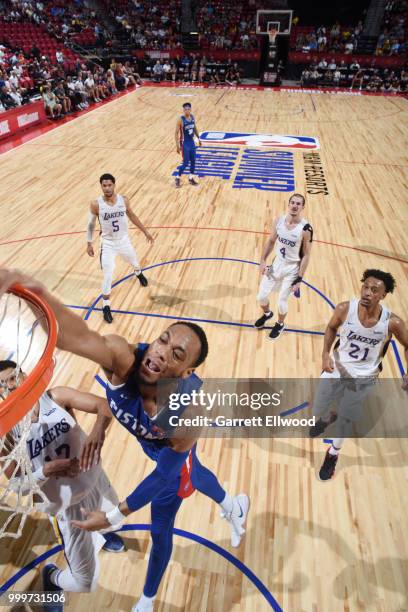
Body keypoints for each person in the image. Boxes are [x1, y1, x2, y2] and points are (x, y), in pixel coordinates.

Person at [0, 269, 250, 612]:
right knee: (86, 579)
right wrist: (35, 288)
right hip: (64, 501)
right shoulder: (122, 357)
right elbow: (75, 337)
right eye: (163, 340)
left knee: (166, 513)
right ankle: (51, 580)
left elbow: (163, 473)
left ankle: (147, 595)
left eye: (177, 354)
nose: (162, 352)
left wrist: (114, 515)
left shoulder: (188, 416)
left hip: (159, 453)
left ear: (187, 372)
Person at [0, 360, 125, 612]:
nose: (8, 387)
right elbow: (17, 485)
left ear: (24, 375)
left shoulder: (56, 396)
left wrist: (98, 431)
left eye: (11, 378)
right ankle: (52, 578)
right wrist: (45, 471)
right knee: (84, 581)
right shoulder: (6, 432)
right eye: (0, 385)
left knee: (116, 521)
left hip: (96, 479)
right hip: (67, 507)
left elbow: (104, 406)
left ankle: (100, 533)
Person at [309, 269, 408, 481]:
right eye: (365, 287)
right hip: (337, 366)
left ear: (383, 295)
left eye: (375, 290)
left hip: (364, 376)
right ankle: (327, 417)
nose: (367, 293)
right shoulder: (345, 308)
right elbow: (331, 327)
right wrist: (325, 355)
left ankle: (333, 454)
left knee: (346, 419)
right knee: (319, 406)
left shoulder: (393, 323)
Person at [87, 173, 154, 324]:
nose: (107, 188)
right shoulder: (96, 204)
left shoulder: (123, 200)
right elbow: (91, 224)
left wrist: (145, 232)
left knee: (134, 261)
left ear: (114, 185)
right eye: (104, 185)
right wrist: (89, 243)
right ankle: (106, 307)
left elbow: (132, 215)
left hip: (123, 241)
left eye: (109, 185)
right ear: (101, 186)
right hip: (108, 244)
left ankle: (138, 273)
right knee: (108, 274)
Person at [254, 194, 313, 340]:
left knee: (281, 300)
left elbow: (306, 255)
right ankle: (268, 314)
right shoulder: (279, 220)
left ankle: (280, 324)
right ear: (288, 204)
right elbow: (271, 241)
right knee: (261, 296)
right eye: (292, 202)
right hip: (276, 264)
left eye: (298, 204)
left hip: (292, 268)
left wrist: (299, 278)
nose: (294, 206)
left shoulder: (305, 228)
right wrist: (262, 260)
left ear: (302, 207)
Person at [174, 102, 202, 188]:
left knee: (193, 161)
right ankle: (177, 177)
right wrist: (177, 145)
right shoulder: (180, 119)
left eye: (188, 109)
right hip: (185, 144)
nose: (187, 111)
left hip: (192, 143)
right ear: (183, 110)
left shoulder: (192, 117)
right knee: (186, 163)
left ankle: (191, 178)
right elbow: (176, 133)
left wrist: (198, 139)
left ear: (190, 109)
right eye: (185, 109)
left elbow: (195, 128)